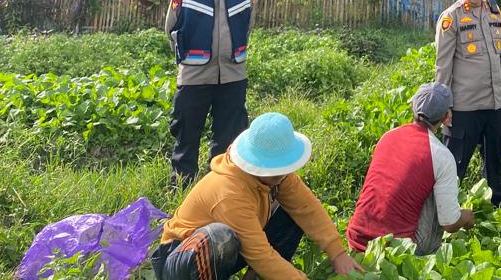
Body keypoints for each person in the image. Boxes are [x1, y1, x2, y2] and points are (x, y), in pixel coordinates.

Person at [151, 112, 363, 280]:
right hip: (178, 260)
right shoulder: (229, 192)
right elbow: (259, 253)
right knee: (218, 235)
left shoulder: (278, 176)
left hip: (228, 251)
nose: (283, 174)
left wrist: (338, 254)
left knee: (292, 210)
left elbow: (307, 208)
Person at [165, 0, 255, 186]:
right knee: (187, 134)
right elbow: (171, 29)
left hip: (233, 75)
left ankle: (220, 188)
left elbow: (248, 24)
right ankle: (181, 188)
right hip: (195, 76)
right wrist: (190, 61)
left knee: (229, 137)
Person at [346, 83, 475, 255]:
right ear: (446, 116)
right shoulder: (441, 155)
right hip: (396, 252)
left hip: (356, 242)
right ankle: (425, 253)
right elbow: (449, 224)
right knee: (438, 191)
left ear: (412, 107)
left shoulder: (388, 136)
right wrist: (466, 217)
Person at [434, 0, 501, 207]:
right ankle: (443, 214)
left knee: (494, 164)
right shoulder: (451, 19)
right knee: (453, 166)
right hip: (464, 108)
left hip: (493, 106)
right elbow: (443, 65)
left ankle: (496, 210)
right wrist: (444, 106)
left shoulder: (495, 13)